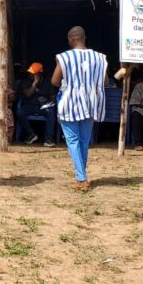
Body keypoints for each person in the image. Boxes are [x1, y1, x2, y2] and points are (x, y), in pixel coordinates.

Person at [51, 26, 108, 192]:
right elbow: (105, 82)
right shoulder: (99, 58)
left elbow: (55, 81)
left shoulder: (64, 57)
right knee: (83, 141)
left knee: (73, 141)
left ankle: (82, 179)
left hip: (70, 103)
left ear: (72, 39)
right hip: (91, 104)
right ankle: (81, 175)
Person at [17, 62, 57, 147]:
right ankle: (31, 134)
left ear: (39, 74)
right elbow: (28, 94)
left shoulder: (48, 82)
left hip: (43, 107)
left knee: (51, 113)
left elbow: (53, 97)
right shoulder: (26, 81)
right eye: (30, 73)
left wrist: (49, 103)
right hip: (30, 106)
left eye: (33, 73)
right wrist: (35, 83)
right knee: (20, 112)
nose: (31, 74)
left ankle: (48, 139)